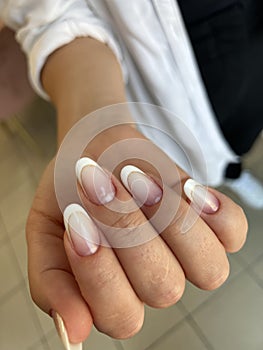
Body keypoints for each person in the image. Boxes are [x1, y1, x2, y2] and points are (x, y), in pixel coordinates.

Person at [0, 1, 257, 349]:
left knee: (238, 140)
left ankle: (230, 172)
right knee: (210, 168)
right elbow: (49, 10)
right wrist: (95, 117)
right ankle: (227, 175)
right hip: (184, 109)